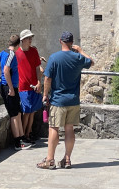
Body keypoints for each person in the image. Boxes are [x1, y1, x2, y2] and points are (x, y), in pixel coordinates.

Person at [37, 32, 93, 170]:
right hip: (73, 100)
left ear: (60, 41)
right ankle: (67, 159)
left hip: (58, 100)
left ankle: (50, 160)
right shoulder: (78, 57)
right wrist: (80, 51)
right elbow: (91, 62)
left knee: (54, 128)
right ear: (72, 42)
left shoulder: (54, 58)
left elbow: (48, 78)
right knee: (69, 129)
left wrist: (45, 95)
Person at [0, 34, 28, 150]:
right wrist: (11, 88)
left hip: (9, 85)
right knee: (14, 115)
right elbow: (7, 70)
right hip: (8, 86)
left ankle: (22, 138)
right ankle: (18, 143)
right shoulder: (11, 54)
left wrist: (0, 71)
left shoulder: (3, 52)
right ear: (18, 44)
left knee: (17, 113)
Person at [16, 29, 44, 143]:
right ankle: (23, 135)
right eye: (28, 38)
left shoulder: (34, 51)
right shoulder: (17, 54)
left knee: (32, 112)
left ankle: (28, 134)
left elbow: (38, 68)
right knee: (26, 112)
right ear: (23, 40)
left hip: (34, 86)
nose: (30, 39)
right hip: (23, 87)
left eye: (31, 37)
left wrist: (38, 82)